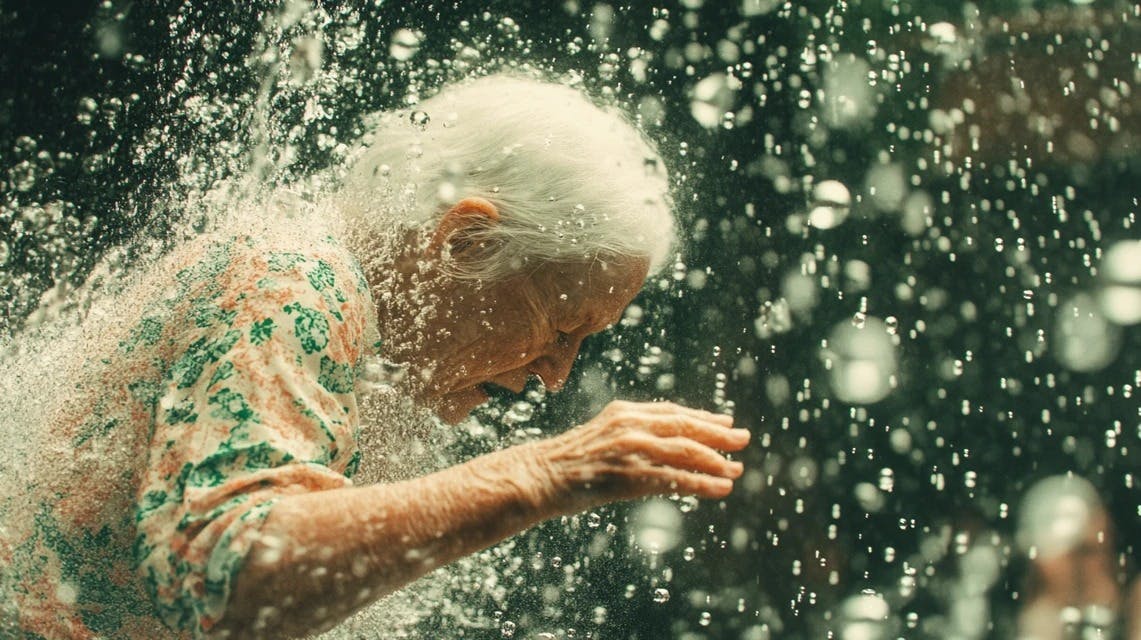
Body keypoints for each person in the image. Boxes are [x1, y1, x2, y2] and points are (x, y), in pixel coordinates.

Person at [0, 73, 750, 639]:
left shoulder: (367, 338)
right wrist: (539, 475)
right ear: (465, 242)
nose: (555, 377)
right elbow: (221, 574)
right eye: (560, 328)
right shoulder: (292, 282)